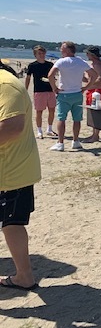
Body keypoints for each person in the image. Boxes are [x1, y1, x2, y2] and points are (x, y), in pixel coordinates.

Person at [0, 59, 41, 291]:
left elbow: (12, 126)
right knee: (11, 223)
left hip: (10, 171)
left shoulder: (6, 85)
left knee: (12, 222)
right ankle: (24, 276)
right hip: (12, 168)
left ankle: (24, 276)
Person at [47, 41, 98, 152]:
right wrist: (86, 87)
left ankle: (60, 143)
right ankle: (75, 141)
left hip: (64, 94)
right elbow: (94, 75)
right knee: (77, 119)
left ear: (67, 50)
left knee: (61, 118)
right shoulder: (80, 61)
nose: (60, 50)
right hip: (77, 94)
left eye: (62, 48)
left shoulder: (61, 61)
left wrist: (54, 88)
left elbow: (50, 75)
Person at [24, 45, 56, 139]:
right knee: (39, 111)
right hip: (39, 90)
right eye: (39, 53)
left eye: (43, 53)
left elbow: (53, 77)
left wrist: (55, 86)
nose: (41, 55)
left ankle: (49, 129)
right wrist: (25, 90)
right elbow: (28, 78)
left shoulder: (50, 64)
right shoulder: (32, 65)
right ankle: (39, 131)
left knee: (52, 110)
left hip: (50, 90)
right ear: (35, 55)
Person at [82, 46, 101, 143]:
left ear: (92, 54)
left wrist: (86, 86)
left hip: (97, 90)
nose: (86, 55)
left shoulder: (99, 64)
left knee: (96, 113)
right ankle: (94, 134)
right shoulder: (92, 64)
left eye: (87, 53)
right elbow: (88, 80)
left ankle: (96, 135)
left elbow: (100, 80)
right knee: (91, 113)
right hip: (91, 90)